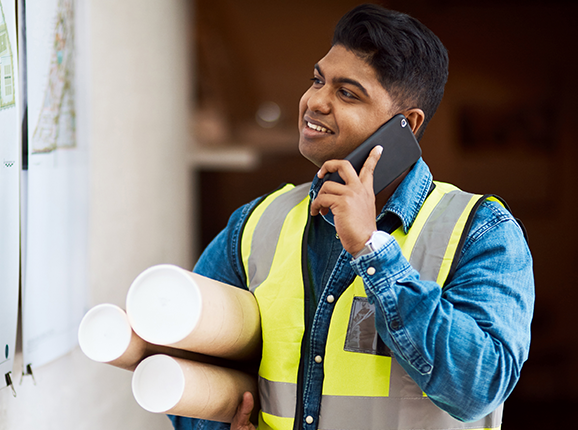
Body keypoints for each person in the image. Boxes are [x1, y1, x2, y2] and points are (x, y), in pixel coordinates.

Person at [170, 4, 534, 430]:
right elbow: (183, 357)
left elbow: (478, 388)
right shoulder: (255, 222)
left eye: (347, 93)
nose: (314, 102)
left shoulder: (481, 230)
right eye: (318, 80)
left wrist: (372, 250)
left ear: (406, 125)